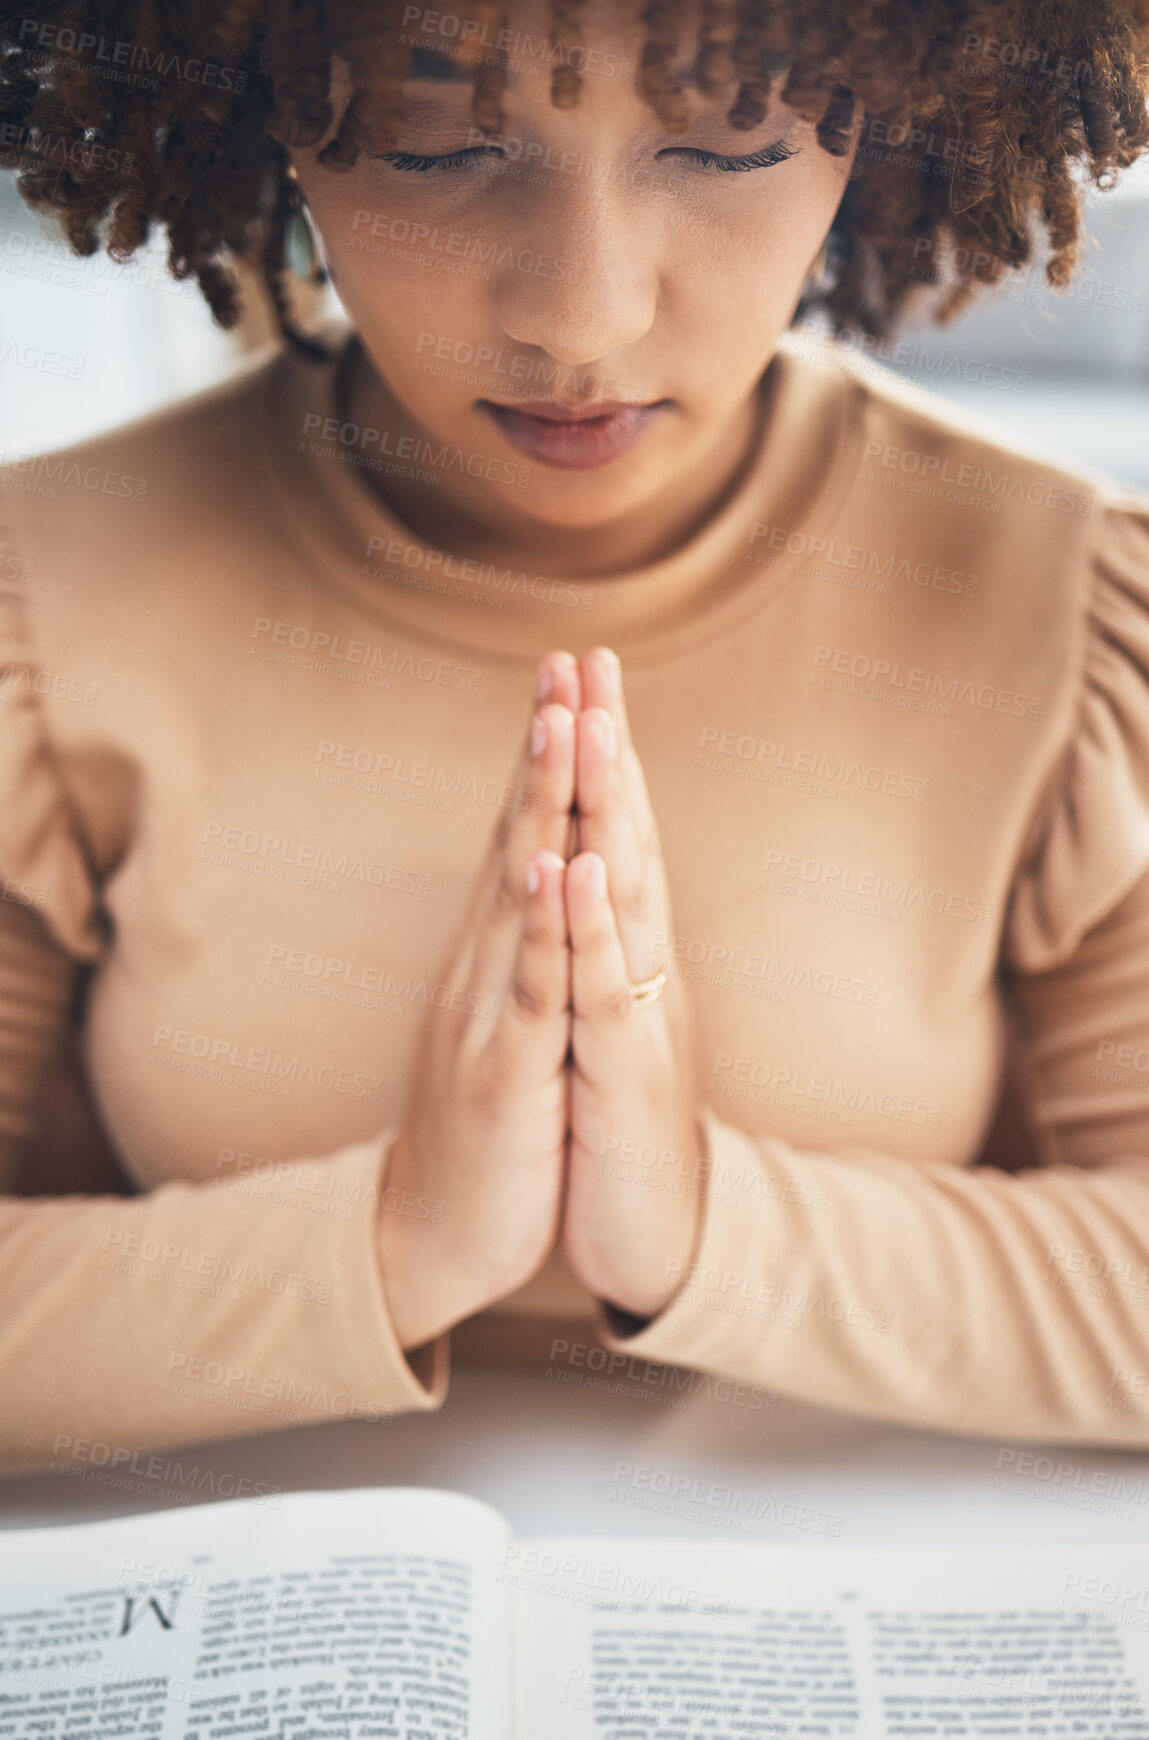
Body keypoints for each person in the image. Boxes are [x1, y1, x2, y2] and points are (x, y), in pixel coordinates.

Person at [1, 0, 1149, 1474]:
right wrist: (395, 1245)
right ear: (270, 123)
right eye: (433, 147)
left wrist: (696, 1225)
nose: (581, 316)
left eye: (726, 145)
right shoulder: (47, 590)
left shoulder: (1063, 604)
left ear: (897, 123)